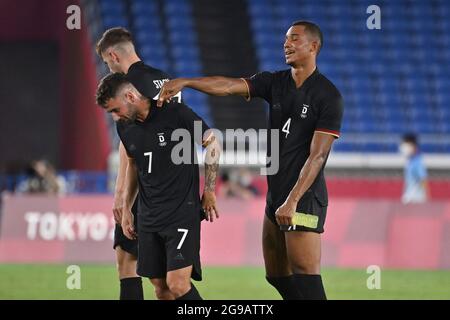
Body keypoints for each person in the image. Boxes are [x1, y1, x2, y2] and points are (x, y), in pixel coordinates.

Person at [158, 21, 343, 300]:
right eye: (285, 39)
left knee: (306, 276)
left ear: (314, 46)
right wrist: (187, 82)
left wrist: (292, 200)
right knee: (276, 275)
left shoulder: (328, 96)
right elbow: (229, 86)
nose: (287, 44)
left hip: (304, 199)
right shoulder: (275, 82)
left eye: (294, 39)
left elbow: (317, 156)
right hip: (276, 196)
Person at [95, 72, 220, 300]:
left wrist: (209, 189)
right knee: (160, 288)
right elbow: (134, 165)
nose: (114, 117)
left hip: (181, 212)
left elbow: (212, 142)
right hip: (149, 215)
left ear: (131, 96)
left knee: (178, 283)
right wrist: (127, 210)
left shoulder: (173, 112)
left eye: (115, 110)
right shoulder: (125, 127)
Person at [95, 27, 180, 300]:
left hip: (143, 186)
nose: (109, 68)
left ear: (112, 55)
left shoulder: (126, 88)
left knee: (128, 265)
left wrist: (121, 195)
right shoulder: (164, 80)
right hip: (171, 186)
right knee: (164, 281)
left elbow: (132, 146)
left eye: (107, 63)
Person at [399, 133, 428, 204]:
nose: (404, 148)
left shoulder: (418, 162)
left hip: (416, 199)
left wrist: (426, 197)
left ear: (414, 146)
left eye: (406, 145)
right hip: (409, 197)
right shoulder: (410, 161)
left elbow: (423, 179)